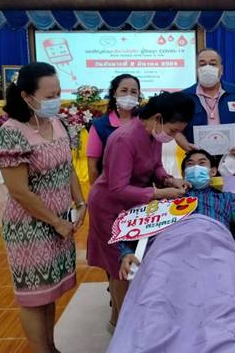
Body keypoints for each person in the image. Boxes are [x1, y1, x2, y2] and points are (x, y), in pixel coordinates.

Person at [0, 62, 86, 353]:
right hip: (29, 228)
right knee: (34, 297)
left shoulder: (57, 123)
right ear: (26, 96)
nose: (55, 100)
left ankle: (51, 346)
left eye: (58, 93)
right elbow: (19, 190)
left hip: (60, 223)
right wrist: (55, 222)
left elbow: (68, 168)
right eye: (48, 96)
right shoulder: (11, 133)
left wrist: (80, 203)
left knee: (50, 292)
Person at [86, 91, 195, 334]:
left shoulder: (153, 134)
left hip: (133, 207)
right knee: (120, 268)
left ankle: (122, 318)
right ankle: (121, 326)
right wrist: (159, 193)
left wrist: (169, 179)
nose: (173, 136)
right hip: (109, 209)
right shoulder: (124, 139)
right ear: (158, 118)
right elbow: (118, 188)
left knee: (132, 264)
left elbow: (155, 166)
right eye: (173, 130)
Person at [118, 148, 235, 279]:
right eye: (190, 164)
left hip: (217, 249)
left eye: (202, 163)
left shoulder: (227, 198)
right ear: (183, 173)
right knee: (157, 282)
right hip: (171, 251)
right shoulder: (168, 200)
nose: (196, 167)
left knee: (226, 282)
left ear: (213, 171)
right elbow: (138, 225)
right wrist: (126, 252)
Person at [176, 48, 235, 165]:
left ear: (221, 69)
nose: (207, 68)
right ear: (197, 69)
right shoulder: (185, 97)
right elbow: (176, 131)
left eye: (212, 64)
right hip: (198, 164)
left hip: (232, 163)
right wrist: (185, 145)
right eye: (202, 64)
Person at [86, 74, 142, 185]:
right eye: (124, 91)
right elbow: (93, 167)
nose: (129, 95)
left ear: (138, 95)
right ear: (114, 93)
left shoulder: (144, 123)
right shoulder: (100, 126)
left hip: (142, 188)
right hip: (110, 189)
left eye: (133, 92)